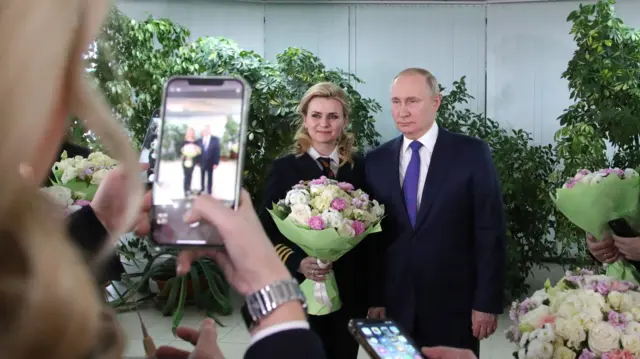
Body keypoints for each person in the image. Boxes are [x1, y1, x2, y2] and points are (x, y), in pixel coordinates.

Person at [364, 68, 507, 357]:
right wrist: (374, 297)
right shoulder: (375, 160)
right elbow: (372, 242)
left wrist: (486, 302)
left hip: (454, 304)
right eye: (395, 101)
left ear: (436, 101)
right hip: (394, 305)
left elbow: (490, 231)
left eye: (412, 101)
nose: (402, 111)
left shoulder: (471, 153)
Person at [257, 82, 370, 359]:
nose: (324, 124)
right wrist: (297, 261)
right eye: (316, 115)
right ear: (305, 120)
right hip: (298, 291)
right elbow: (265, 231)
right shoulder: (284, 168)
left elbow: (372, 235)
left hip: (348, 292)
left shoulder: (360, 167)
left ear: (344, 121)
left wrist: (373, 295)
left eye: (333, 116)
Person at [196, 125, 220, 195]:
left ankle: (209, 190)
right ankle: (202, 188)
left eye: (207, 130)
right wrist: (197, 161)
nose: (205, 132)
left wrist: (216, 163)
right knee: (202, 176)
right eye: (204, 130)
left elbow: (217, 151)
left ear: (209, 131)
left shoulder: (215, 139)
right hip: (202, 161)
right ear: (202, 132)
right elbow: (197, 152)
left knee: (210, 177)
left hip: (211, 162)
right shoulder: (199, 140)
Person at [181, 127, 200, 197]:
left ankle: (189, 189)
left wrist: (197, 161)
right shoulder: (184, 141)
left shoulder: (196, 142)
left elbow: (198, 152)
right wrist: (186, 156)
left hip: (193, 161)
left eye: (192, 132)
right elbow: (181, 151)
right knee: (186, 175)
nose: (190, 133)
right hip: (186, 161)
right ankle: (186, 190)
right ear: (187, 133)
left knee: (190, 175)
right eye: (189, 132)